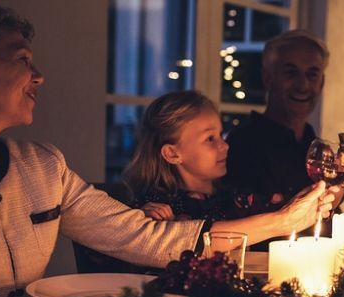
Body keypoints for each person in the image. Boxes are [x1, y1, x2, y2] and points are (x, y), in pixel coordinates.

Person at [0, 0, 334, 297]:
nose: (38, 76)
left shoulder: (43, 167)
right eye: (22, 60)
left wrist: (284, 221)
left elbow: (148, 239)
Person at [124, 90, 332, 235]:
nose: (225, 146)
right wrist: (148, 222)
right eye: (210, 139)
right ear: (172, 153)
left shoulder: (236, 198)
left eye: (220, 135)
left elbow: (289, 209)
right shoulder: (154, 207)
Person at [221, 29, 328, 206]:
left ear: (321, 82)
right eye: (291, 73)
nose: (303, 85)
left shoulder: (316, 145)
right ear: (268, 78)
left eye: (312, 74)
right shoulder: (242, 144)